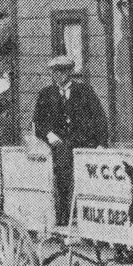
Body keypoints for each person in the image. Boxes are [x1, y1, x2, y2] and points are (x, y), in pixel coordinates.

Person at [33, 56, 110, 227]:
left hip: (84, 145)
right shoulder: (46, 94)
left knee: (89, 180)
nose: (59, 75)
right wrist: (48, 134)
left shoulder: (84, 91)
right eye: (55, 72)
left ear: (70, 72)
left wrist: (101, 145)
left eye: (63, 71)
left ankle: (89, 218)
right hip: (59, 149)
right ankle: (64, 217)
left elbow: (100, 119)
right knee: (62, 179)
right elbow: (37, 123)